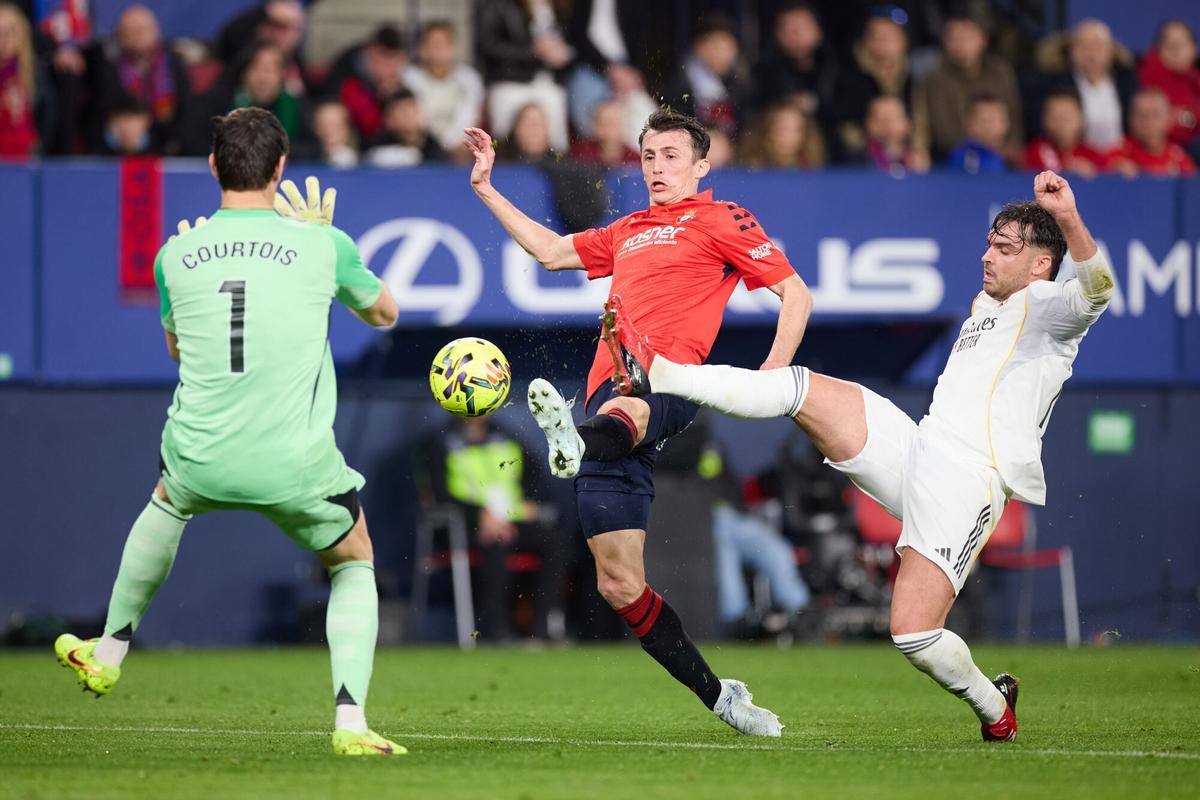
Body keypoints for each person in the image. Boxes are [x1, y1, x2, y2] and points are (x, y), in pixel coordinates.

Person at [602, 170, 1114, 743]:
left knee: (914, 636)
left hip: (970, 481)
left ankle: (995, 706)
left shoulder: (1051, 310)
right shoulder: (987, 303)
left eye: (1003, 248)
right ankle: (666, 373)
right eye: (989, 243)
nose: (986, 255)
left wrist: (1066, 215)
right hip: (918, 445)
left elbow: (1098, 290)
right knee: (797, 386)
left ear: (1041, 264)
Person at [54, 108, 406, 757]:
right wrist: (325, 246)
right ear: (280, 168)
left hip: (200, 456)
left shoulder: (173, 254)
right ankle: (350, 724)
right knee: (354, 560)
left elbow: (180, 354)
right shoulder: (322, 246)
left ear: (213, 166)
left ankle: (106, 652)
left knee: (167, 499)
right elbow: (386, 314)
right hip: (293, 465)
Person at [465, 109, 813, 736]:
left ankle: (573, 438)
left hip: (676, 381)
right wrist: (487, 188)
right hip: (610, 401)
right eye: (649, 156)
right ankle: (721, 696)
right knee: (620, 585)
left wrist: (772, 372)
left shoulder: (722, 219)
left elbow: (796, 293)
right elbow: (549, 252)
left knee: (634, 402)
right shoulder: (628, 229)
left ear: (700, 166)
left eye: (671, 156)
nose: (656, 167)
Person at [412, 416, 569, 642]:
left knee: (555, 542)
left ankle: (544, 630)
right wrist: (478, 516)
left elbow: (536, 480)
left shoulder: (505, 436)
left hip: (511, 521)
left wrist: (532, 502)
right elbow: (438, 495)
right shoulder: (439, 442)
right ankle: (499, 632)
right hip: (465, 526)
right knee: (495, 544)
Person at [916, 10, 1022, 162]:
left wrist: (1010, 146)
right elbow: (941, 129)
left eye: (966, 37)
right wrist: (976, 148)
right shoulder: (936, 77)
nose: (960, 44)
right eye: (953, 38)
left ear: (982, 39)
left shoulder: (1000, 71)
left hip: (1003, 155)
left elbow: (1014, 115)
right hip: (955, 158)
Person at [86, 4, 188, 155]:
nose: (137, 37)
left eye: (142, 30)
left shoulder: (172, 65)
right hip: (114, 145)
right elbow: (99, 111)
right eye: (129, 32)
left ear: (156, 32)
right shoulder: (106, 66)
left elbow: (184, 111)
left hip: (164, 144)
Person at [475, 0, 570, 153]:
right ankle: (503, 164)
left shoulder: (559, 7)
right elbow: (488, 45)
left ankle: (558, 165)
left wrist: (562, 52)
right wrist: (533, 51)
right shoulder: (500, 5)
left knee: (556, 101)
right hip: (509, 78)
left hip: (547, 80)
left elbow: (573, 39)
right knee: (502, 133)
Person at [661, 15, 753, 139]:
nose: (719, 52)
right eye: (712, 44)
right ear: (697, 48)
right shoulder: (680, 83)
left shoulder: (743, 82)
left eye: (725, 45)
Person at [403, 20, 483, 158]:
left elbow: (469, 116)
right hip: (421, 147)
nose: (439, 49)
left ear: (453, 47)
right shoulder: (409, 78)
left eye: (444, 43)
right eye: (433, 44)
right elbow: (415, 118)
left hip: (459, 149)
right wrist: (436, 146)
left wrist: (451, 144)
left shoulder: (469, 79)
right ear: (422, 49)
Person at [1136, 20, 1200, 158]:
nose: (1176, 52)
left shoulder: (1195, 77)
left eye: (1181, 45)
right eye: (1170, 46)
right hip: (1165, 148)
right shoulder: (1148, 76)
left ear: (1193, 49)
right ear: (1158, 49)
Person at [1107, 89, 1197, 177]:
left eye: (1155, 114)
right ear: (1130, 119)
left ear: (1168, 119)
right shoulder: (1117, 157)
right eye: (1141, 115)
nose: (1148, 121)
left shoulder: (1179, 159)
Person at [1024, 88, 1109, 177]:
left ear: (1081, 119)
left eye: (1067, 116)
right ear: (1044, 119)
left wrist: (1093, 175)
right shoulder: (1032, 155)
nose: (1061, 123)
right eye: (1055, 117)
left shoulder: (1095, 157)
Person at [365, 89, 447, 167]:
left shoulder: (434, 150)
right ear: (389, 119)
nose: (407, 116)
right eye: (401, 111)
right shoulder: (376, 147)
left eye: (411, 110)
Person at [738, 101, 826, 169]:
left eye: (796, 130)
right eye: (783, 128)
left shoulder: (809, 168)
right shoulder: (754, 168)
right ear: (769, 129)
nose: (789, 136)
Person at [858, 94, 928, 175]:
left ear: (907, 123)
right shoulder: (856, 161)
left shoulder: (917, 160)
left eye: (893, 118)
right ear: (867, 123)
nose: (887, 125)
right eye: (879, 119)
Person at [945, 93, 1010, 174]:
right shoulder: (966, 157)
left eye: (1000, 120)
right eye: (987, 121)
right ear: (969, 124)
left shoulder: (1004, 157)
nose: (995, 127)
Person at [569, 99, 639, 166]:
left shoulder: (635, 159)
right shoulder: (581, 153)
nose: (612, 129)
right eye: (607, 123)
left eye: (616, 122)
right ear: (595, 127)